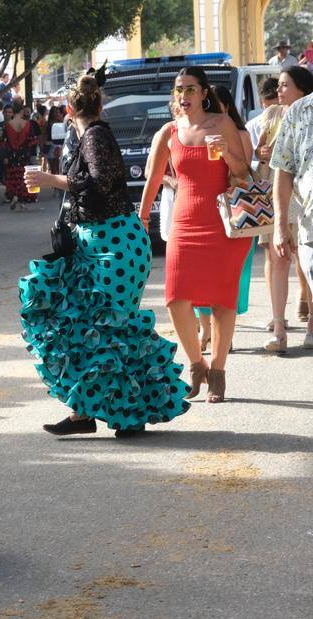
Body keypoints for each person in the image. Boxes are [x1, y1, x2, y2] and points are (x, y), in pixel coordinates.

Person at [20, 75, 191, 438]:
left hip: (114, 246)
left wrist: (51, 180)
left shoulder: (95, 136)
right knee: (89, 326)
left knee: (110, 328)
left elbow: (100, 182)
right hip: (102, 243)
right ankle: (87, 412)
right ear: (99, 104)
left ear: (68, 110)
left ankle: (125, 414)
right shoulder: (85, 136)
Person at [138, 66, 252, 402]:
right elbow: (154, 178)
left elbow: (243, 172)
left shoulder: (222, 124)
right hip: (184, 223)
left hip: (222, 225)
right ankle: (196, 364)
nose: (183, 95)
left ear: (204, 93)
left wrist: (227, 151)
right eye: (178, 90)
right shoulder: (169, 132)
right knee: (175, 299)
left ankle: (217, 371)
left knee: (222, 300)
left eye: (189, 89)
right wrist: (141, 219)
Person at [193, 86, 259, 350]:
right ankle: (206, 329)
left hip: (233, 213)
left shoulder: (239, 134)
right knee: (200, 276)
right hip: (204, 213)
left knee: (228, 278)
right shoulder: (194, 131)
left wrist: (225, 152)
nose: (207, 112)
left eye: (212, 106)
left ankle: (222, 333)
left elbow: (243, 173)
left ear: (226, 108)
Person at [262, 66, 313, 351]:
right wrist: (280, 225)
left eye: (285, 85)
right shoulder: (299, 112)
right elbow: (282, 170)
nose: (279, 90)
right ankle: (281, 323)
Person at [2, 101, 39, 210]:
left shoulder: (8, 125)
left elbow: (4, 142)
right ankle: (22, 201)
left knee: (14, 176)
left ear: (13, 111)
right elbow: (32, 140)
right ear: (22, 111)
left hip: (12, 155)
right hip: (24, 155)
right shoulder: (28, 124)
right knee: (24, 177)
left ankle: (14, 195)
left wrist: (6, 156)